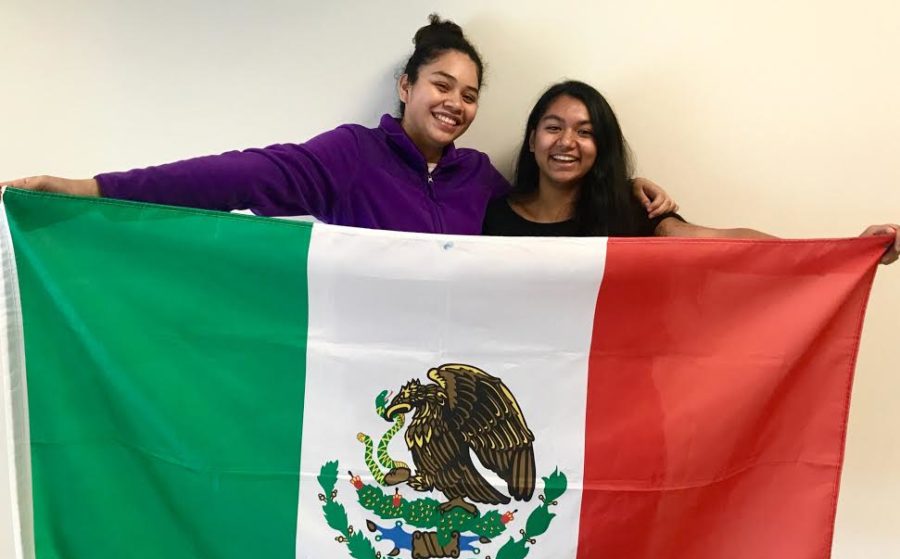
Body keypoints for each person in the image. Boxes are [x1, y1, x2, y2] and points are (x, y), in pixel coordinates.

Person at [0, 16, 675, 236]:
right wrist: (94, 189)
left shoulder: (484, 182)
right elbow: (238, 175)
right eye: (442, 84)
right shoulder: (352, 157)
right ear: (406, 86)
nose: (456, 104)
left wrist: (634, 185)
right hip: (366, 383)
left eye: (470, 95)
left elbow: (556, 219)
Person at [483, 80, 899, 264]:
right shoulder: (494, 214)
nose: (567, 142)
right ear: (533, 136)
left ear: (602, 148)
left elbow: (726, 242)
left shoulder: (630, 212)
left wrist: (848, 251)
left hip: (612, 394)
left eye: (586, 132)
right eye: (554, 127)